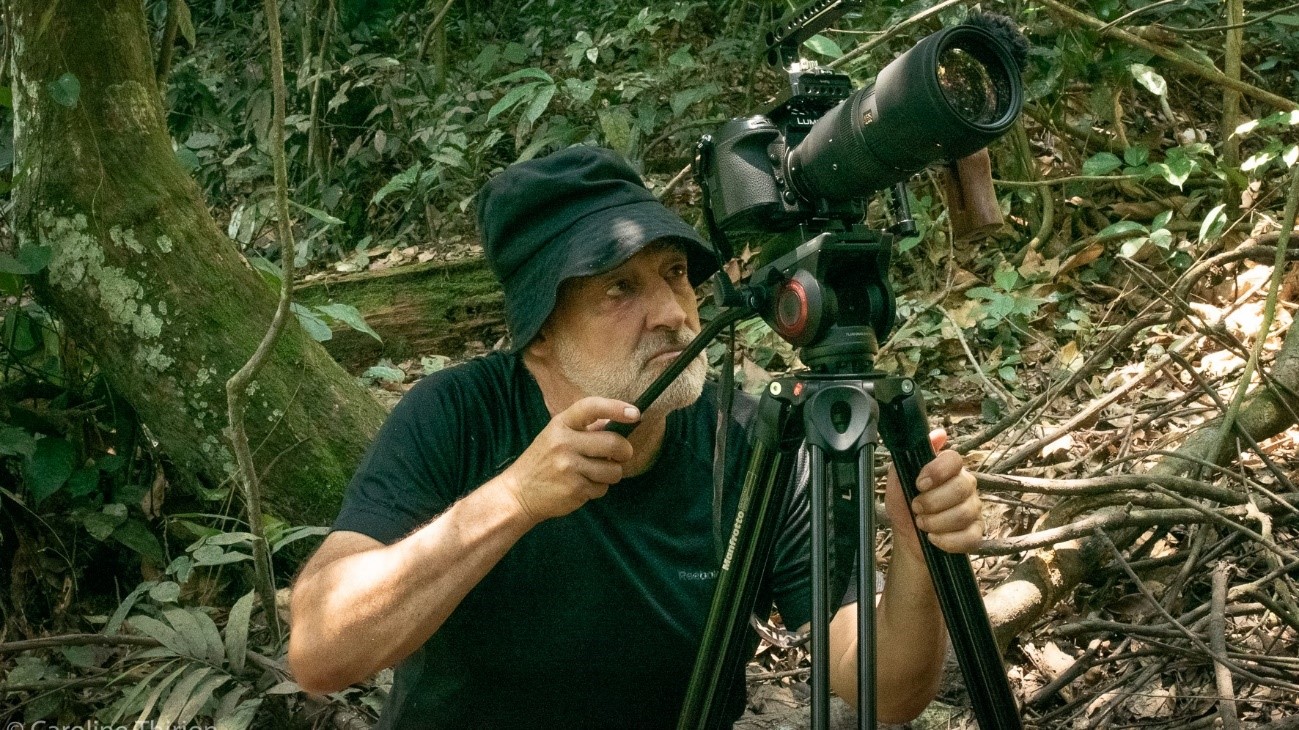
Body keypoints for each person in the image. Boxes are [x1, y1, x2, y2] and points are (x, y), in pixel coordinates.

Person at [287, 146, 986, 728]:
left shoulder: (750, 442)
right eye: (618, 288)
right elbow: (321, 653)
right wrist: (513, 500)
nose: (672, 314)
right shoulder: (461, 415)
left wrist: (921, 553)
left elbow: (884, 689)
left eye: (675, 274)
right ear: (539, 333)